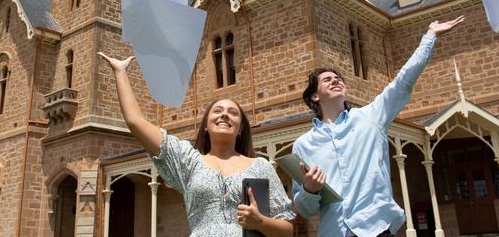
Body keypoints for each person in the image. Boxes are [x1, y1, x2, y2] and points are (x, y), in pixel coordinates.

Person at [292, 16, 465, 237]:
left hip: (375, 229)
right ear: (315, 96)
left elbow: (403, 82)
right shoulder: (303, 145)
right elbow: (305, 210)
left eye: (338, 78)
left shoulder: (371, 117)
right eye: (327, 79)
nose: (336, 80)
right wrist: (308, 189)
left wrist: (430, 36)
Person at [98, 52, 295, 237]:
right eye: (217, 111)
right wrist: (120, 72)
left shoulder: (260, 167)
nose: (225, 114)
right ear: (206, 126)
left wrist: (260, 222)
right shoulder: (189, 162)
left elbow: (287, 230)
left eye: (233, 112)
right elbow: (136, 122)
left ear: (241, 128)